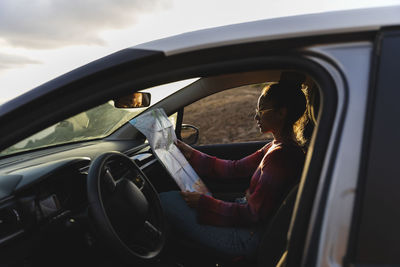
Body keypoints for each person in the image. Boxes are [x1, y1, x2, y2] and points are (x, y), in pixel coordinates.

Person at [159, 73, 308, 260]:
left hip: (247, 239)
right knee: (173, 200)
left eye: (261, 110)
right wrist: (191, 153)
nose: (256, 116)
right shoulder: (276, 146)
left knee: (165, 201)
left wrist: (204, 203)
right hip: (246, 225)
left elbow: (253, 214)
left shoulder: (281, 157)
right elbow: (235, 168)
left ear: (281, 113)